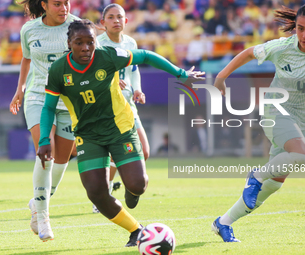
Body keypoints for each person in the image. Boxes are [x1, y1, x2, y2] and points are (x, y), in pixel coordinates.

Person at [37, 19, 205, 247]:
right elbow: (48, 107)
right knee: (95, 192)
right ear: (69, 43)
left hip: (120, 129)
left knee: (138, 185)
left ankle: (132, 190)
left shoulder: (107, 55)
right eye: (79, 43)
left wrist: (179, 72)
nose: (86, 47)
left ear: (96, 42)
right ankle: (136, 230)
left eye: (90, 42)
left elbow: (145, 55)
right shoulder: (58, 70)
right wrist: (46, 139)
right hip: (88, 136)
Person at [211, 2, 305, 242]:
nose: (304, 35)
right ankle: (255, 176)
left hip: (301, 124)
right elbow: (250, 52)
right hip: (275, 111)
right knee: (302, 155)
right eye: (300, 28)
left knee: (275, 184)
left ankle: (223, 222)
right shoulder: (283, 47)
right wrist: (221, 77)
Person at [9, 0, 79, 242]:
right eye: (58, 4)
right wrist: (21, 88)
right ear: (44, 5)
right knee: (45, 155)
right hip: (39, 97)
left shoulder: (76, 26)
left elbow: (91, 57)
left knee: (62, 160)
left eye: (67, 3)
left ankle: (36, 202)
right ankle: (43, 217)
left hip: (69, 101)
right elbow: (26, 59)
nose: (64, 8)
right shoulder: (29, 30)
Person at [95, 3, 149, 213]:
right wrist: (110, 80)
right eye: (111, 17)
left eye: (120, 17)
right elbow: (91, 75)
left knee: (143, 152)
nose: (116, 20)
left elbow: (134, 70)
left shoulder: (130, 42)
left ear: (126, 21)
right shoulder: (97, 45)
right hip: (106, 107)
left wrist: (138, 89)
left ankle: (121, 188)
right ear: (103, 22)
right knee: (109, 154)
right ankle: (102, 196)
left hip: (127, 104)